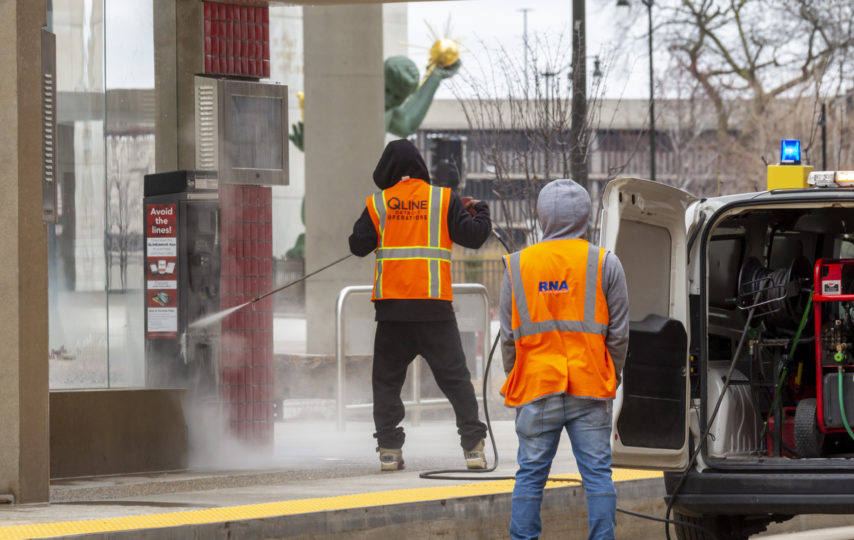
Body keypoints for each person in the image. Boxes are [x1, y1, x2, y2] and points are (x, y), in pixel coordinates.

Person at [499, 179, 629, 540]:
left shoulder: (517, 266)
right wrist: (611, 374)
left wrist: (518, 376)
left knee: (530, 476)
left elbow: (508, 337)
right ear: (586, 216)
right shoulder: (606, 263)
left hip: (538, 387)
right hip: (589, 387)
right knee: (598, 476)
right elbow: (619, 334)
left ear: (541, 217)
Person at [349, 139, 490, 471]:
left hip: (392, 313)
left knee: (385, 383)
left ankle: (388, 451)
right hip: (434, 311)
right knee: (456, 379)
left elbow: (357, 245)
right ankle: (473, 449)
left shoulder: (379, 203)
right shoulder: (443, 199)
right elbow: (473, 236)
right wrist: (481, 210)